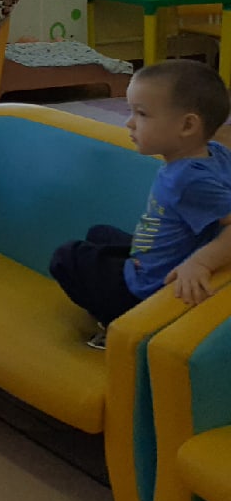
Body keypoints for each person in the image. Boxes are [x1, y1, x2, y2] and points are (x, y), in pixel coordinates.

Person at [50, 59, 231, 348]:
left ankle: (118, 324)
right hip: (153, 256)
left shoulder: (187, 180)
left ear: (187, 125)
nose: (129, 122)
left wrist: (200, 263)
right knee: (99, 233)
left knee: (66, 256)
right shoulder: (216, 152)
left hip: (148, 287)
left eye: (142, 114)